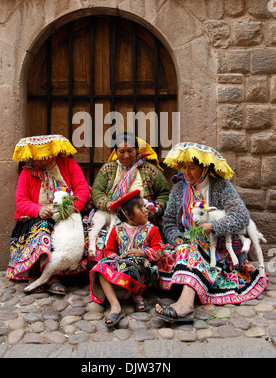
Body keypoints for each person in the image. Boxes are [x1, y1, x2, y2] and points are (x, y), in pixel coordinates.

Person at [155, 142, 268, 323]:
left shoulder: (220, 187)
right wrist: (176, 237)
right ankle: (189, 288)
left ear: (205, 168)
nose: (186, 173)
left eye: (191, 168)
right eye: (183, 167)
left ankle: (185, 305)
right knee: (166, 255)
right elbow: (168, 222)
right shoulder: (178, 190)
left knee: (192, 250)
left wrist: (213, 227)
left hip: (220, 247)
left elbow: (240, 216)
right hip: (185, 245)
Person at [6, 134, 90, 295]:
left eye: (46, 157)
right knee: (43, 229)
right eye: (38, 158)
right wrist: (38, 210)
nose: (43, 161)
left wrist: (71, 207)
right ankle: (44, 275)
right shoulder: (27, 173)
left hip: (67, 213)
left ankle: (59, 274)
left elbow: (82, 190)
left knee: (84, 228)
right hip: (37, 218)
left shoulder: (69, 165)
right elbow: (21, 201)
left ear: (53, 152)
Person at [90, 189, 166, 327]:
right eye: (140, 207)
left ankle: (137, 295)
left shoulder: (151, 229)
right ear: (127, 214)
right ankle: (115, 305)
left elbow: (160, 250)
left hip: (143, 271)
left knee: (135, 262)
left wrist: (142, 253)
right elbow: (109, 250)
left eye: (144, 206)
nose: (145, 210)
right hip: (120, 268)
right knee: (101, 267)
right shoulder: (117, 230)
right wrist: (118, 257)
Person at [91, 132, 170, 231]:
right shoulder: (108, 169)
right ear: (116, 152)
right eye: (122, 151)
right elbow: (97, 191)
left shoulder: (150, 170)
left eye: (130, 151)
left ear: (136, 150)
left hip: (144, 222)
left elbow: (164, 193)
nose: (126, 156)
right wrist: (108, 204)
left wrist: (153, 209)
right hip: (112, 220)